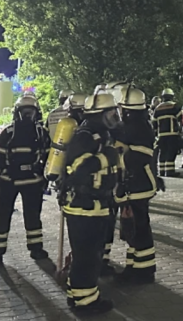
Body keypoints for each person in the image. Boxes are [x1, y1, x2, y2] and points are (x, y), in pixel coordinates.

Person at [62, 93, 124, 316]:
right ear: (99, 114)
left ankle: (80, 296)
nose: (115, 117)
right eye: (111, 113)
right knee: (87, 257)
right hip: (84, 206)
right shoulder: (85, 136)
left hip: (96, 205)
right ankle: (85, 304)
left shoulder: (102, 134)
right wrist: (107, 157)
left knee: (90, 255)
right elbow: (77, 170)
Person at [0, 94, 51, 266]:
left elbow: (48, 158)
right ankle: (1, 252)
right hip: (16, 181)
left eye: (30, 112)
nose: (28, 115)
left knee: (24, 216)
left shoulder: (37, 133)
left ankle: (24, 250)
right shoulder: (17, 133)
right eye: (25, 112)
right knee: (10, 217)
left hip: (18, 181)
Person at [114, 85, 162, 284]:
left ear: (126, 108)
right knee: (133, 228)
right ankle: (134, 266)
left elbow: (140, 156)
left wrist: (120, 152)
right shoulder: (135, 123)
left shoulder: (138, 127)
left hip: (139, 185)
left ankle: (144, 272)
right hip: (135, 184)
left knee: (140, 228)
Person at [152, 89, 182, 177]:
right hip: (172, 134)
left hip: (161, 135)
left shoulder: (157, 108)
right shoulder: (174, 106)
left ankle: (161, 170)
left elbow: (154, 123)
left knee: (163, 152)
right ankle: (169, 171)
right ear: (172, 96)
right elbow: (181, 118)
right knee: (171, 152)